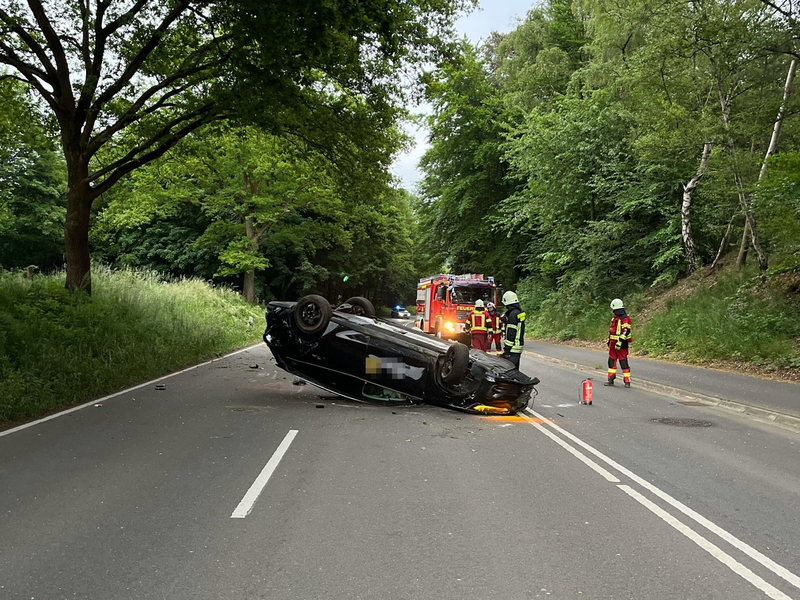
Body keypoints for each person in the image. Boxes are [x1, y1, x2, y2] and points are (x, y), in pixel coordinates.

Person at [605, 298, 632, 387]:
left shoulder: (625, 318)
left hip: (621, 345)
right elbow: (612, 331)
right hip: (613, 344)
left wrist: (620, 342)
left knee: (623, 362)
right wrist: (609, 341)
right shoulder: (615, 319)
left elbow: (626, 331)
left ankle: (627, 381)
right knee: (611, 362)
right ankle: (611, 379)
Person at [501, 291, 525, 369]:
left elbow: (511, 333)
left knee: (509, 372)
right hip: (518, 347)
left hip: (513, 348)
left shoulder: (512, 315)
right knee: (515, 371)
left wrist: (507, 350)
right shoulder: (518, 312)